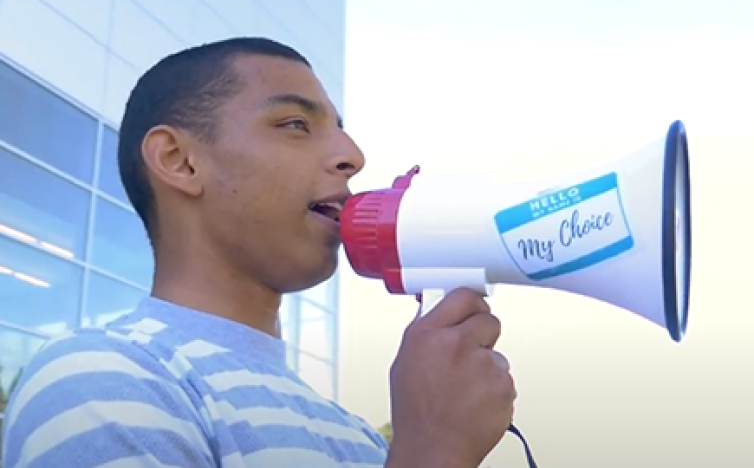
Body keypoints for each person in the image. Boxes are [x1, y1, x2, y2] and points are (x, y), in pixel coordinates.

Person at [1, 37, 516, 468]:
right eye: (295, 124)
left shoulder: (360, 439)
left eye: (340, 129)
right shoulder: (98, 380)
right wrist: (433, 450)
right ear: (179, 162)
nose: (351, 156)